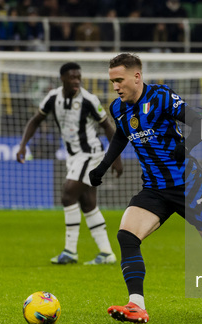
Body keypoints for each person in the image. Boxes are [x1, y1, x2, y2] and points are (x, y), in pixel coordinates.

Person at [89, 53, 202, 324]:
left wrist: (185, 146)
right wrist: (103, 166)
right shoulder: (118, 108)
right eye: (112, 82)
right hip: (154, 188)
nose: (116, 86)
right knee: (127, 236)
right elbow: (121, 134)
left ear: (137, 76)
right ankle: (136, 304)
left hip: (189, 185)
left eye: (119, 80)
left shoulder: (161, 96)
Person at [16, 62, 122, 266]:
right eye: (72, 77)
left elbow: (108, 127)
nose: (76, 81)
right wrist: (23, 145)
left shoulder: (89, 100)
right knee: (88, 203)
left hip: (90, 153)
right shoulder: (53, 98)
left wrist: (116, 158)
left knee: (68, 194)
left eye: (78, 77)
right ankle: (106, 253)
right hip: (73, 156)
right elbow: (35, 120)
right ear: (62, 78)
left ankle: (70, 251)